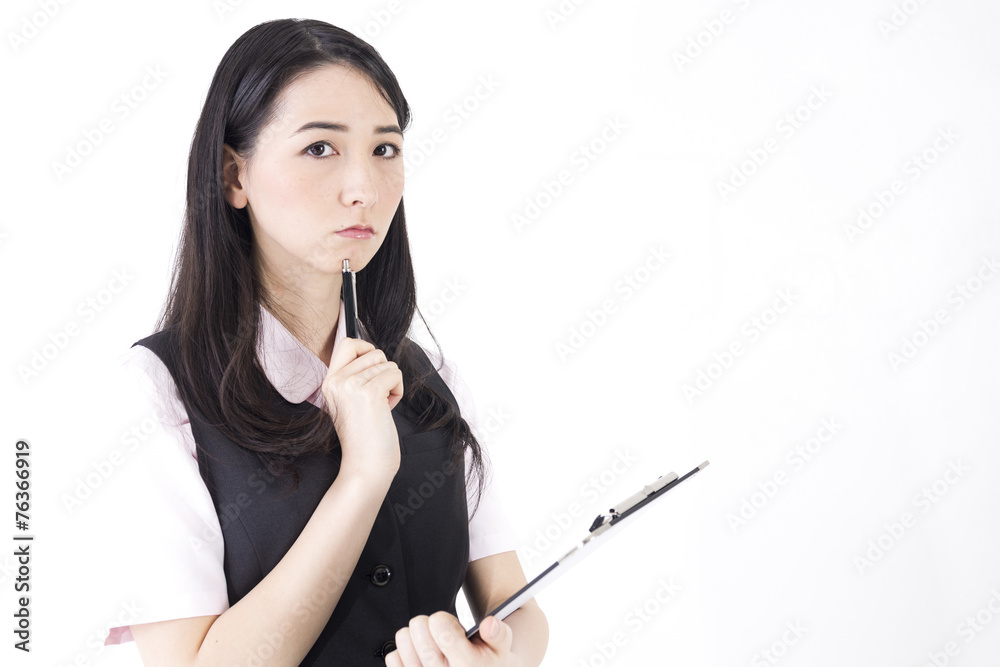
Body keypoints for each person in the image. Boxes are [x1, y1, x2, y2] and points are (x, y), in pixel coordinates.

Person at [102, 17, 548, 666]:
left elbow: (516, 607)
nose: (363, 188)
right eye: (319, 148)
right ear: (233, 176)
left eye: (385, 149)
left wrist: (499, 657)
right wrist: (362, 475)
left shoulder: (431, 379)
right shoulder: (158, 390)